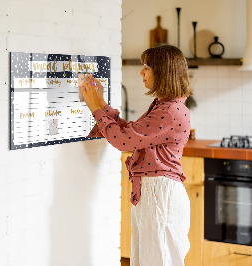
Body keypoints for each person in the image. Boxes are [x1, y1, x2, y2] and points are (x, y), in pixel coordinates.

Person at [80, 44, 192, 266]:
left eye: (147, 67)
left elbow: (123, 141)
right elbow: (131, 133)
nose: (141, 72)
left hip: (160, 195)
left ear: (163, 72)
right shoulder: (165, 106)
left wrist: (95, 108)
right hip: (155, 193)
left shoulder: (169, 111)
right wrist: (101, 103)